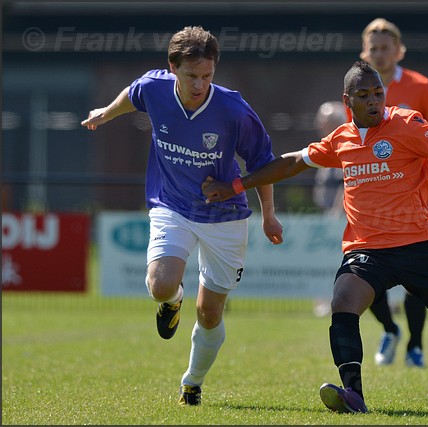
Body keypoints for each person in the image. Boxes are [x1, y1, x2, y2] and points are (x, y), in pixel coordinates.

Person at [201, 60, 428, 413]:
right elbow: (290, 163)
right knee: (343, 300)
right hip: (367, 251)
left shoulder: (408, 125)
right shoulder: (341, 139)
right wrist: (234, 186)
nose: (374, 101)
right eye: (363, 96)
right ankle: (353, 394)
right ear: (347, 100)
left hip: (419, 246)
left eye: (378, 93)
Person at [81, 26, 283, 406]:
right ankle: (171, 301)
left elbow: (263, 164)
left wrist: (269, 215)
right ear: (172, 67)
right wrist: (106, 113)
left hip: (224, 216)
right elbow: (133, 96)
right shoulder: (154, 88)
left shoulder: (233, 110)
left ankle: (192, 380)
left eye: (207, 76)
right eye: (192, 76)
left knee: (209, 313)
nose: (200, 85)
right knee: (159, 283)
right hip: (172, 205)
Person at [358, 17, 428, 368]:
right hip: (371, 208)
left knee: (418, 280)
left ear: (399, 51)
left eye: (386, 48)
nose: (380, 54)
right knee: (363, 275)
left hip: (414, 203)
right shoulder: (357, 88)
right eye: (374, 48)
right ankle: (390, 329)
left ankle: (416, 345)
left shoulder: (419, 86)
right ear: (364, 52)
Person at [312, 101, 348, 218]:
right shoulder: (325, 150)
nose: (318, 125)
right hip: (327, 215)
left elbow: (346, 186)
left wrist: (336, 215)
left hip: (340, 218)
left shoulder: (346, 151)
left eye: (323, 122)